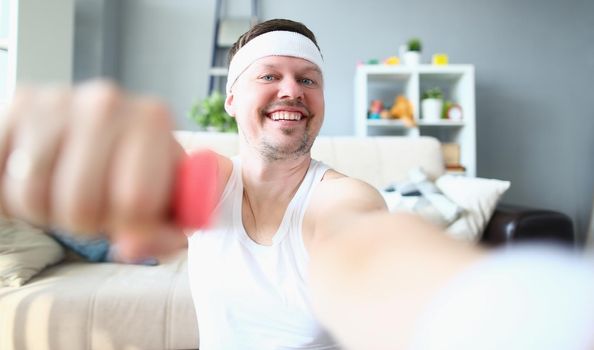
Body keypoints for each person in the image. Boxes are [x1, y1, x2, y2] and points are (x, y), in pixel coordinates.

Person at [1, 18, 594, 350]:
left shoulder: (345, 197)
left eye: (308, 78)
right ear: (231, 97)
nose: (292, 90)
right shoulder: (211, 176)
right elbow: (162, 188)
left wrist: (507, 316)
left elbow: (373, 255)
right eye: (271, 75)